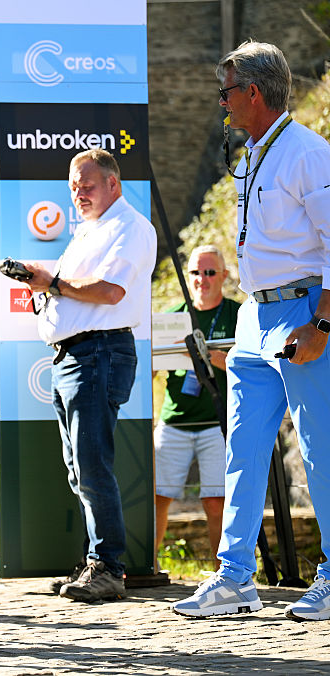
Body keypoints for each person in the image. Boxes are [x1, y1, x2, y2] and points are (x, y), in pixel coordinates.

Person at [173, 41, 330, 621]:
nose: (223, 103)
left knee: (321, 452)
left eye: (227, 92)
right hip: (253, 315)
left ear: (254, 92)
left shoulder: (308, 154)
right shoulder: (258, 152)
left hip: (302, 312)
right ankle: (235, 577)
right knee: (242, 451)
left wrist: (323, 323)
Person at [19, 148, 157, 603]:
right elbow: (77, 290)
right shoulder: (91, 230)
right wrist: (44, 280)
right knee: (80, 468)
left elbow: (110, 292)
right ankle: (94, 562)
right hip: (74, 356)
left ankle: (109, 568)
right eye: (74, 187)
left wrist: (52, 283)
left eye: (88, 185)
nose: (79, 194)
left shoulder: (130, 227)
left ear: (113, 184)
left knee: (92, 464)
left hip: (99, 353)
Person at [154, 245, 239, 563]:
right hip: (174, 421)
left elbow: (249, 365)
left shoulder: (237, 313)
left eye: (209, 272)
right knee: (158, 497)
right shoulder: (173, 317)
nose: (202, 279)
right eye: (195, 272)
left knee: (216, 501)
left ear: (224, 276)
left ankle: (223, 573)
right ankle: (148, 568)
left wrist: (210, 356)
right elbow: (150, 371)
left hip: (217, 423)